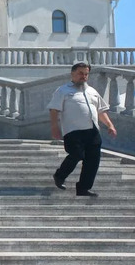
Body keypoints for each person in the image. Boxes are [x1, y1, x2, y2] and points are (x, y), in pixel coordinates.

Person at [48, 62, 117, 196]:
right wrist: (55, 127)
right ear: (72, 73)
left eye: (86, 74)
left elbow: (101, 111)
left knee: (93, 160)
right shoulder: (63, 90)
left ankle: (83, 188)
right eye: (80, 73)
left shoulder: (92, 91)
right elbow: (54, 109)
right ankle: (60, 175)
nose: (83, 77)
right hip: (73, 131)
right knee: (77, 154)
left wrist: (110, 125)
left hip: (92, 131)